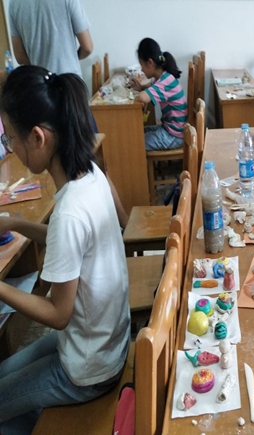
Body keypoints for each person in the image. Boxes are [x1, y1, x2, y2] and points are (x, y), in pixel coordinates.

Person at [0, 66, 130, 434]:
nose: (11, 148)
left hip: (90, 369)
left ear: (37, 137)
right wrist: (15, 224)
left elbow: (58, 314)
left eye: (11, 139)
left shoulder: (69, 212)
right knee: (6, 375)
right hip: (104, 342)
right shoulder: (90, 173)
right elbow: (70, 244)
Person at [130, 38, 187, 151]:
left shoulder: (165, 82)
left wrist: (141, 92)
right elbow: (152, 87)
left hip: (174, 136)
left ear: (150, 63)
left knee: (135, 142)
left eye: (142, 65)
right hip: (172, 130)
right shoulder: (164, 76)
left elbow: (143, 97)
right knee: (138, 132)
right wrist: (141, 87)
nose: (142, 69)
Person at [9, 0, 93, 77]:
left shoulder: (14, 3)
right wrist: (70, 59)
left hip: (39, 82)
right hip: (69, 81)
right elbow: (87, 48)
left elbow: (20, 57)